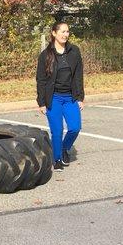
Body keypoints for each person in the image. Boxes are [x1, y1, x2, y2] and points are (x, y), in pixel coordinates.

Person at [36, 21, 84, 172]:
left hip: (70, 98)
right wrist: (42, 102)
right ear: (54, 33)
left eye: (67, 31)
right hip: (54, 98)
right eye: (62, 31)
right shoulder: (46, 55)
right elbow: (41, 80)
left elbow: (78, 75)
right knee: (56, 131)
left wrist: (80, 97)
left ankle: (64, 148)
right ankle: (57, 159)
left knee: (75, 128)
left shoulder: (74, 51)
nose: (65, 34)